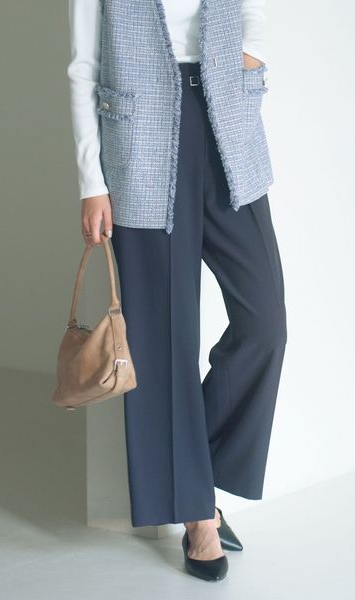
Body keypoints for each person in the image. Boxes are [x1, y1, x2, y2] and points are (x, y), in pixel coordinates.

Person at [67, 0, 287, 582]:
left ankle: (192, 470)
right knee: (165, 339)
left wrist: (248, 56)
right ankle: (197, 515)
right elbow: (83, 65)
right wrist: (91, 182)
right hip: (139, 140)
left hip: (227, 125)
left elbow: (252, 12)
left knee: (265, 323)